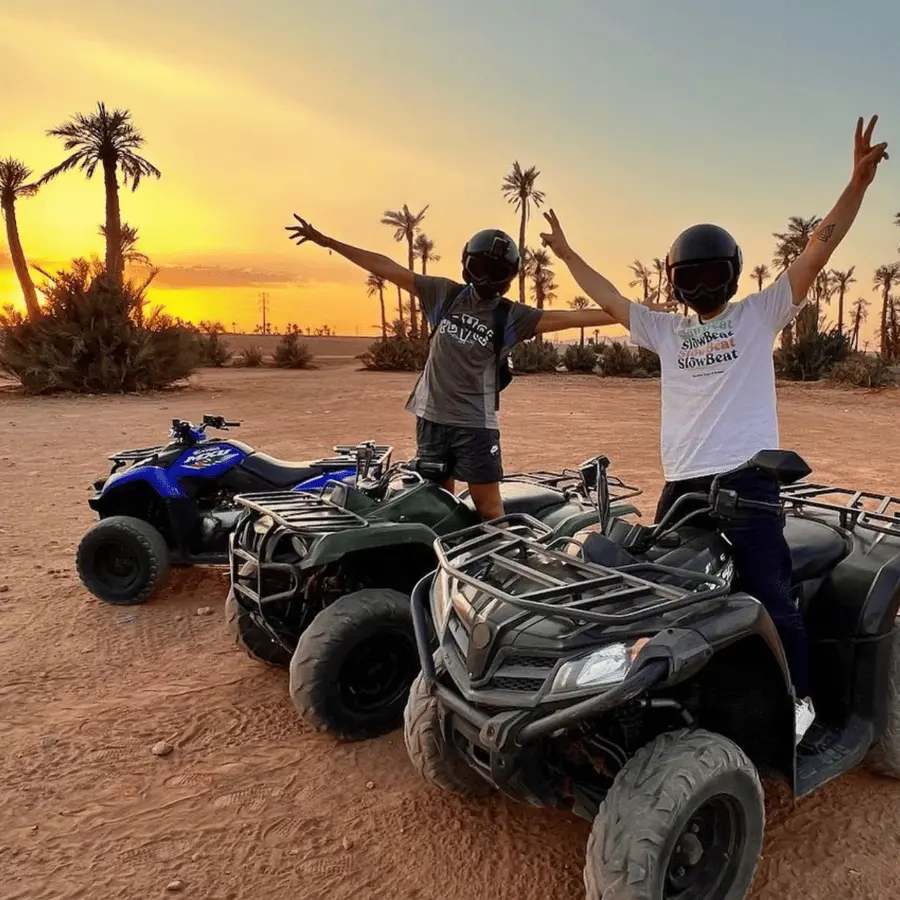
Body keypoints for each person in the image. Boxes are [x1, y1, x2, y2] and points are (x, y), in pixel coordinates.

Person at [539, 116, 889, 744]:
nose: (701, 286)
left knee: (772, 601)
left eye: (711, 275)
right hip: (681, 488)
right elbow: (613, 298)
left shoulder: (761, 314)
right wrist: (565, 255)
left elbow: (820, 246)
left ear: (732, 274)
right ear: (675, 283)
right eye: (689, 277)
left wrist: (856, 183)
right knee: (663, 594)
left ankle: (800, 712)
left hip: (749, 486)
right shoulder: (667, 332)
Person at [285, 218, 656, 520]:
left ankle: (494, 576)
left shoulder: (511, 316)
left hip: (474, 426)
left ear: (507, 278)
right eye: (480, 268)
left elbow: (571, 316)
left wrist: (633, 315)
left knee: (489, 509)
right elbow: (387, 266)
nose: (485, 280)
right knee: (435, 503)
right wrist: (328, 240)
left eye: (495, 273)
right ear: (467, 265)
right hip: (430, 418)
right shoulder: (443, 295)